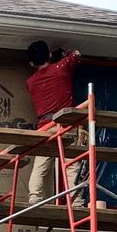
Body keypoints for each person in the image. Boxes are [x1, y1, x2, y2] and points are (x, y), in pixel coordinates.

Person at [23, 39, 84, 205]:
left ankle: (34, 198)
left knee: (41, 166)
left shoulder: (30, 82)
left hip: (45, 127)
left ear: (31, 63)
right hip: (65, 125)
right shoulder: (61, 67)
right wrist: (62, 54)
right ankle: (76, 201)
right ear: (49, 54)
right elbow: (76, 55)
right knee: (71, 165)